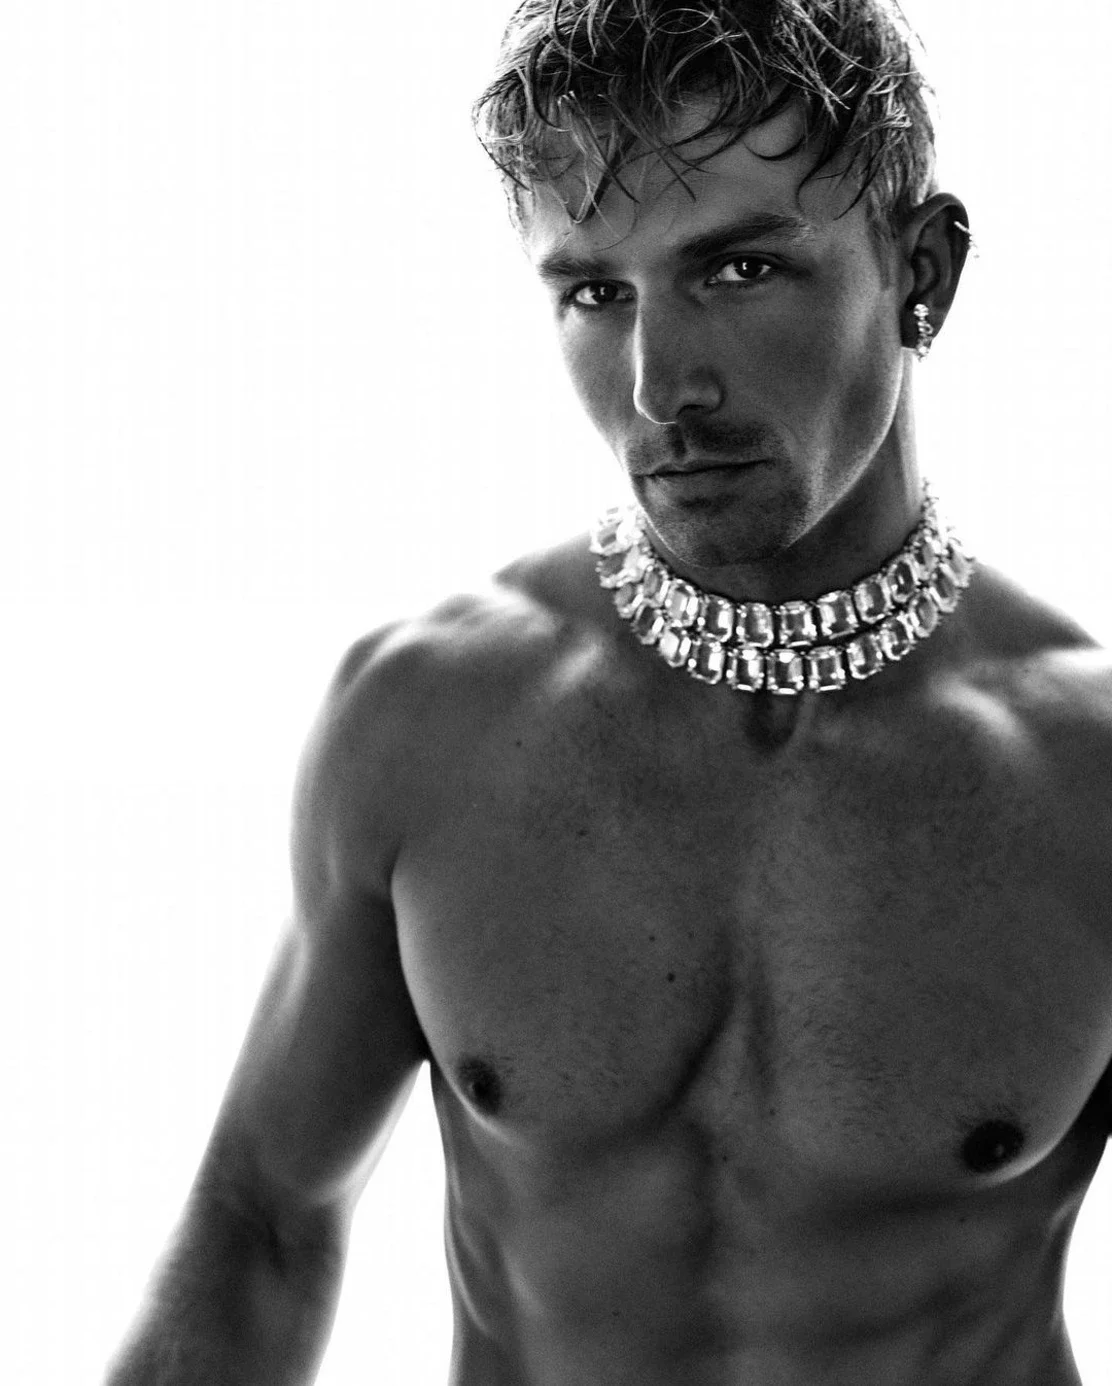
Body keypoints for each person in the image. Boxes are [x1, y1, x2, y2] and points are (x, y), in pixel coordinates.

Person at [104, 2, 1112, 1383]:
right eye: (594, 292)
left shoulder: (1088, 784)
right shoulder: (427, 719)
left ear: (922, 270)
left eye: (741, 268)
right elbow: (261, 1228)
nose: (659, 387)